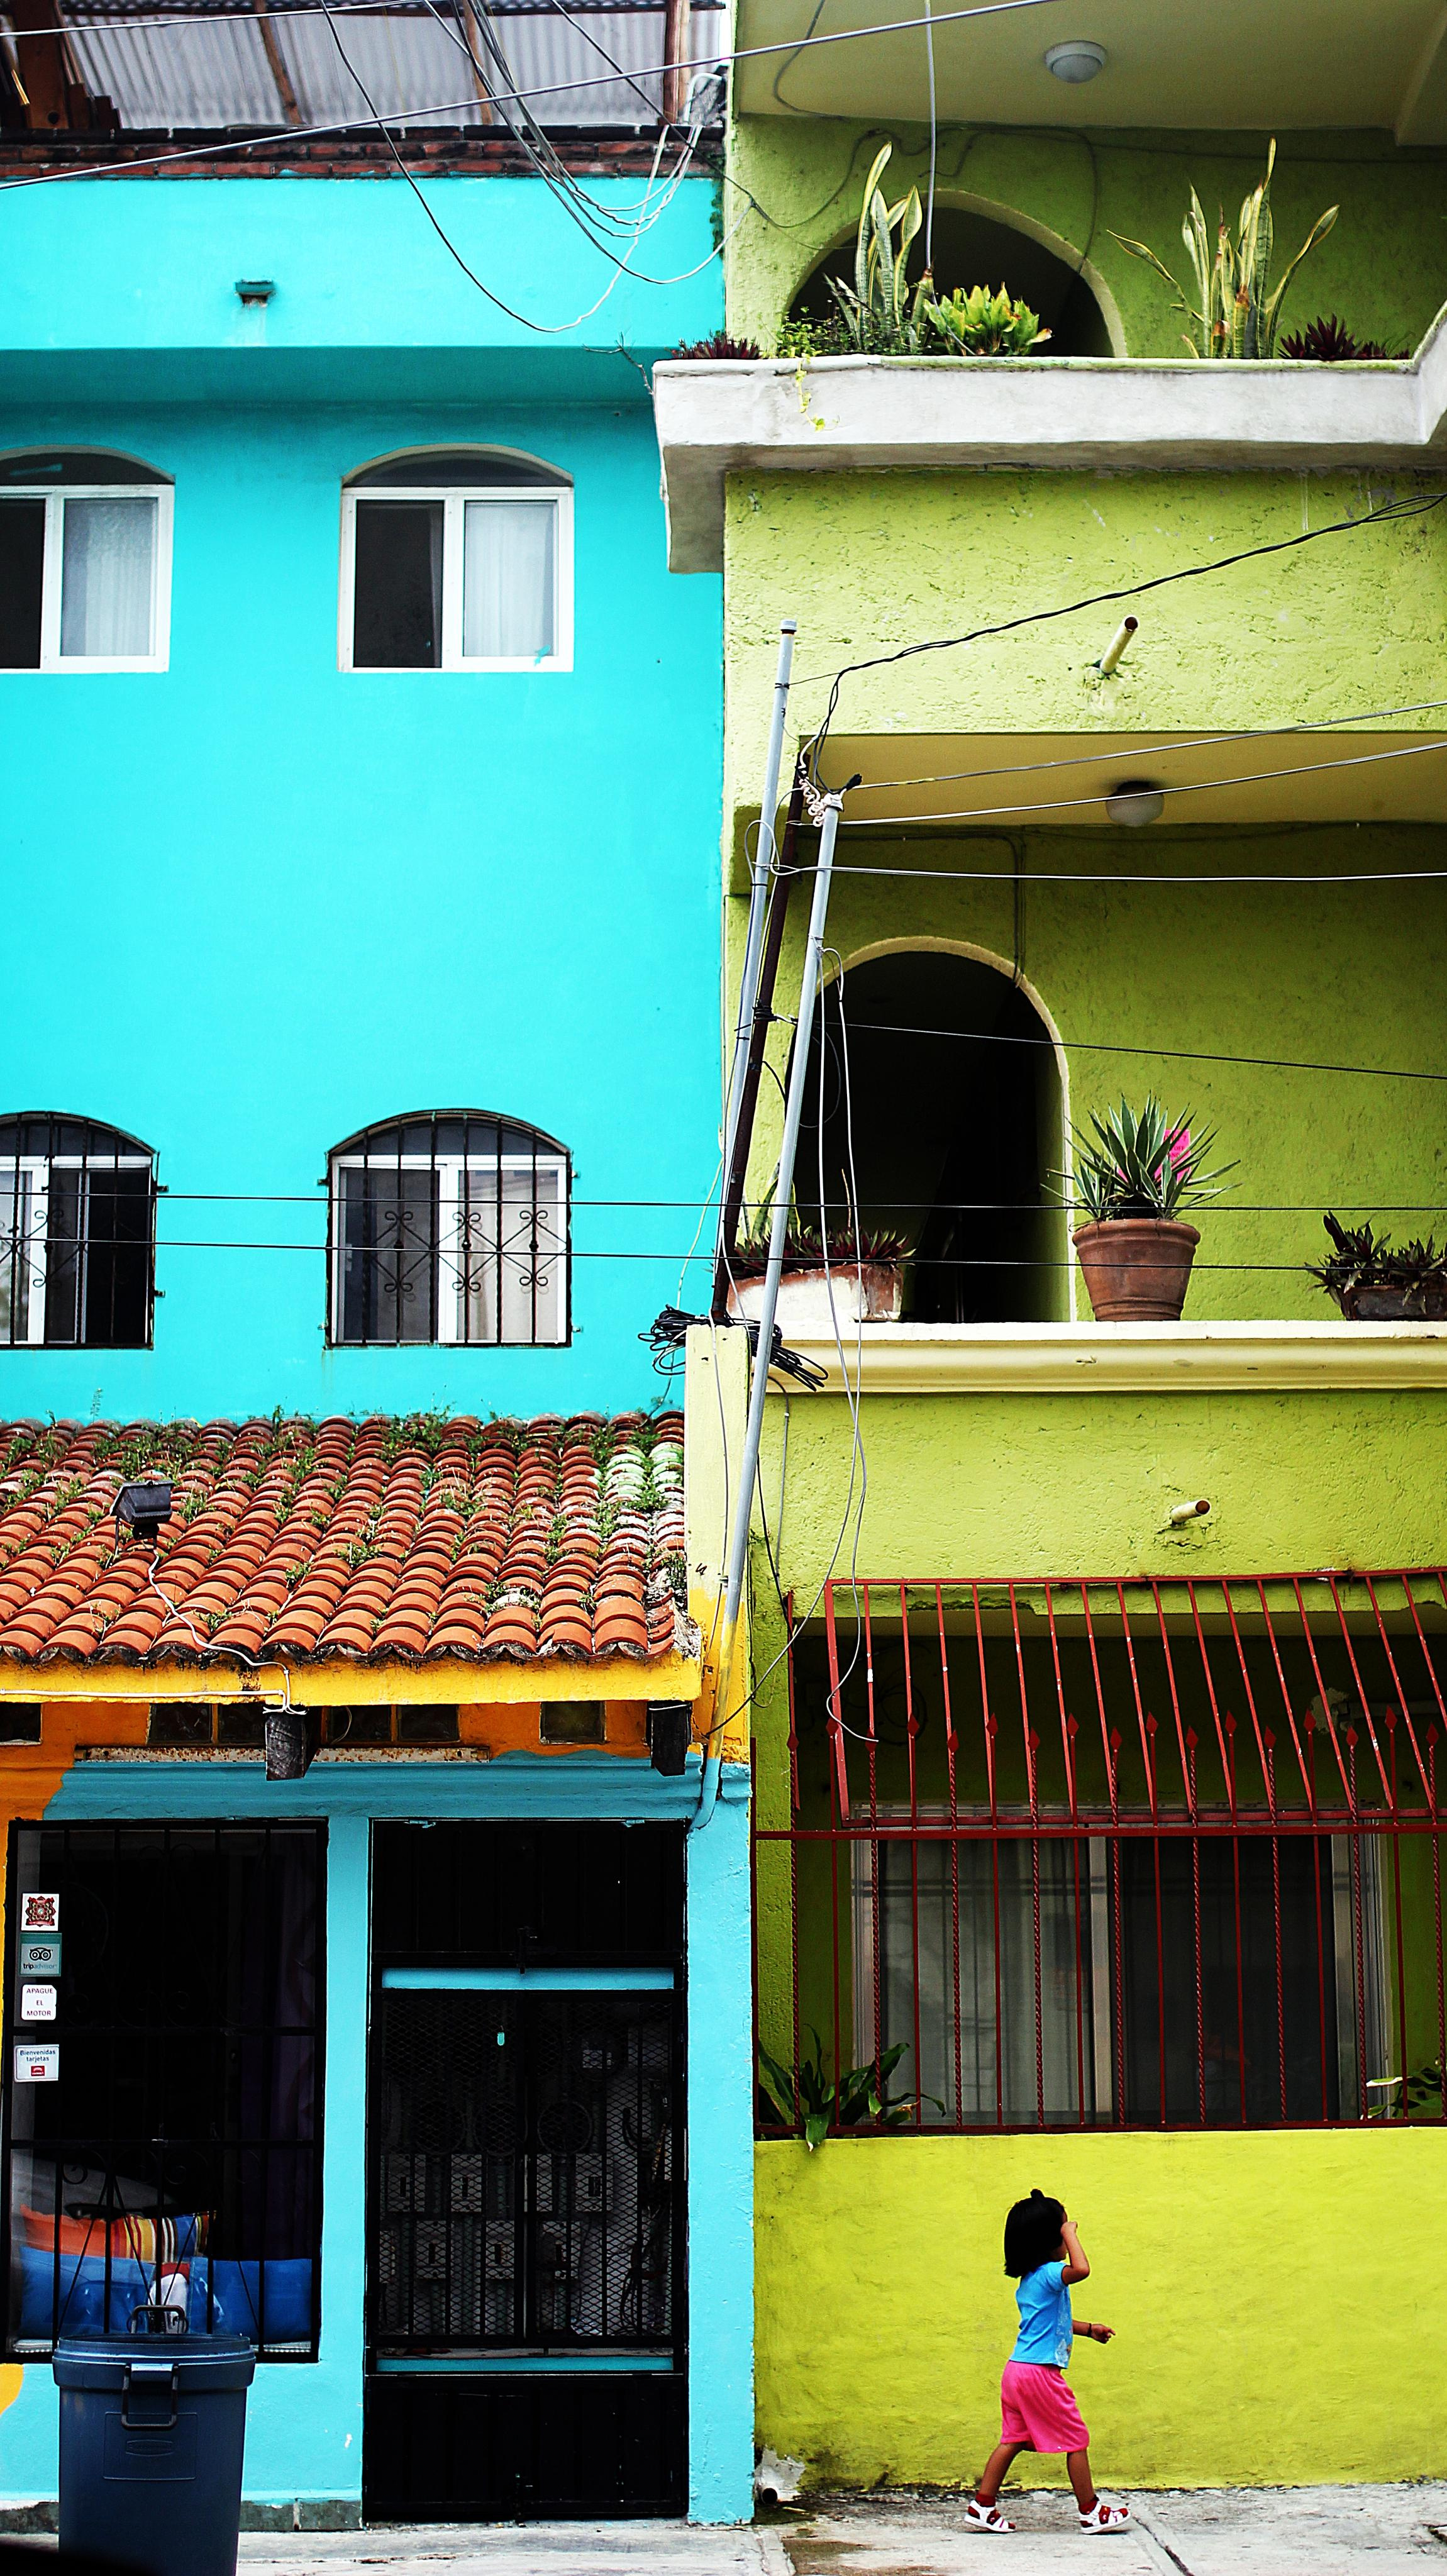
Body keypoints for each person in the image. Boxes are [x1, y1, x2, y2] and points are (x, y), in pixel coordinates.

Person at [964, 2188, 1131, 2537]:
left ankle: (983, 2505)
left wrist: (1088, 2330)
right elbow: (1082, 2270)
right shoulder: (1051, 2274)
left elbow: (1051, 2324)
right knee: (1076, 2439)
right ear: (1051, 2241)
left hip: (1017, 2371)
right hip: (1040, 2374)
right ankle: (1091, 2512)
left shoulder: (1029, 2282)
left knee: (1012, 2439)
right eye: (1060, 2233)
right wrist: (1072, 2234)